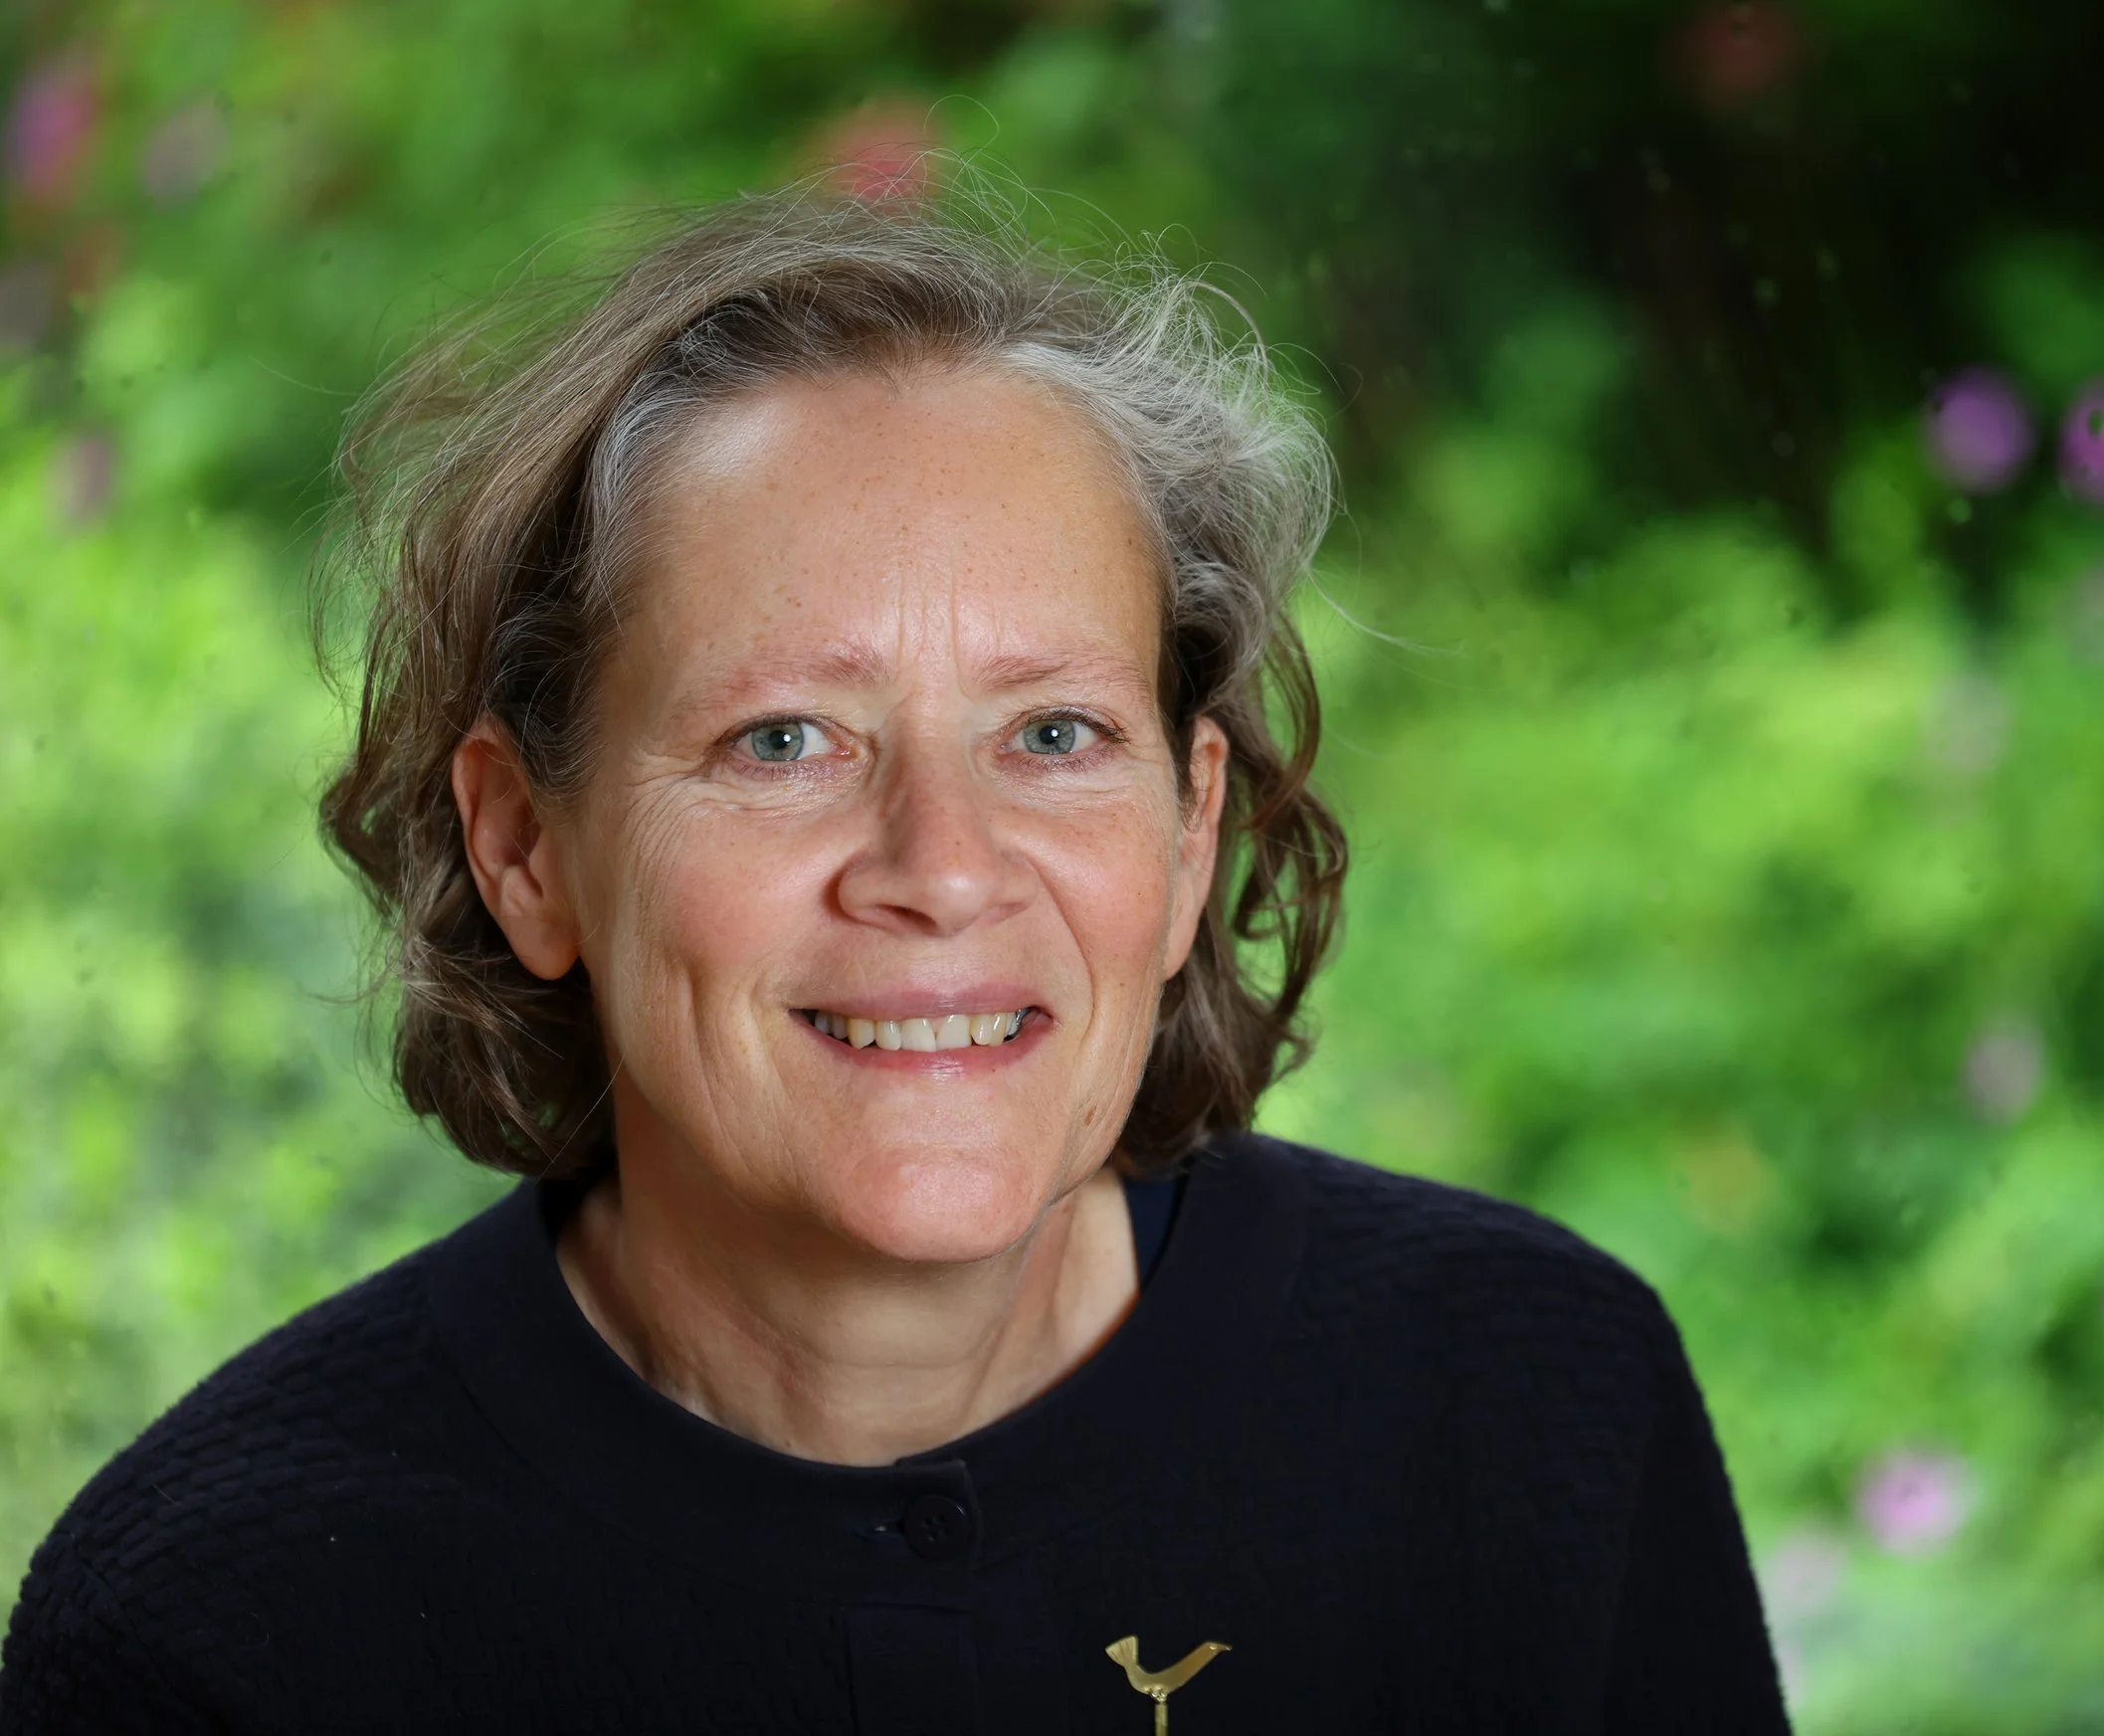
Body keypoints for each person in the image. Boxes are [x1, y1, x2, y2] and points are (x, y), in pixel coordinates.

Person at [0, 192, 1789, 1734]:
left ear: (1187, 835)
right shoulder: (214, 1634)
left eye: (1056, 735)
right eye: (785, 741)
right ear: (523, 845)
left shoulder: (1526, 1410)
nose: (941, 870)